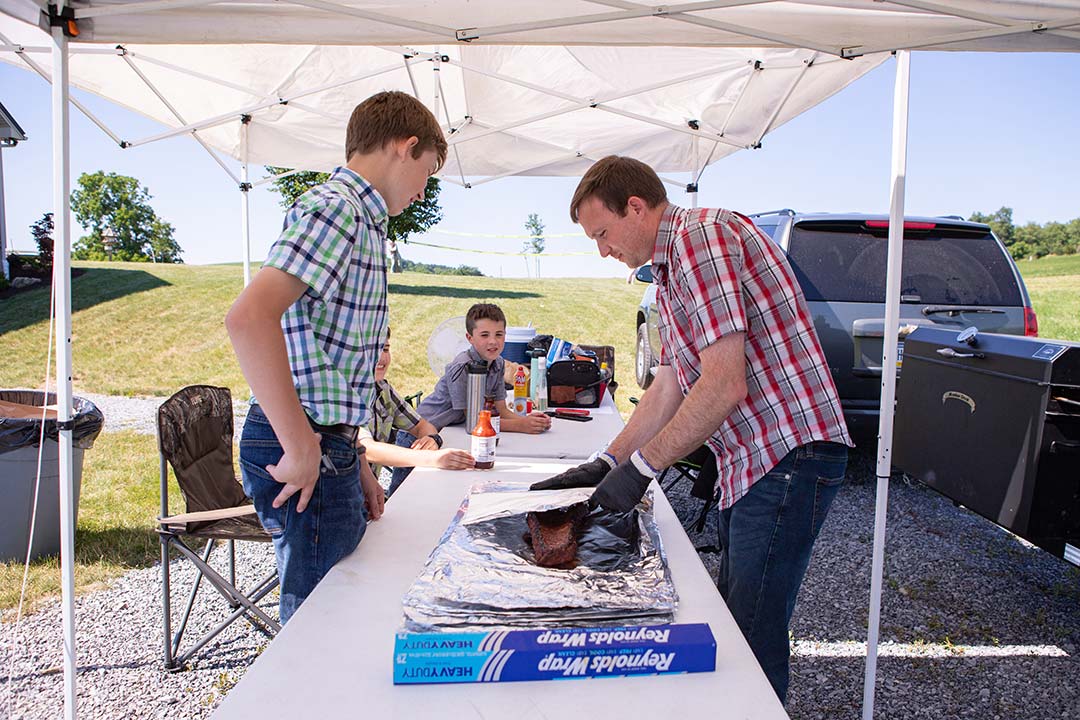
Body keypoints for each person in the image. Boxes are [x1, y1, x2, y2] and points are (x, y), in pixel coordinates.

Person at [534, 155, 852, 702]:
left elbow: (724, 385)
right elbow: (670, 385)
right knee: (734, 617)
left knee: (749, 634)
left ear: (636, 207)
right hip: (755, 461)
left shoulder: (703, 240)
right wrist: (607, 462)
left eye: (603, 233)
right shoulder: (669, 268)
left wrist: (642, 469)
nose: (603, 250)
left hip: (788, 455)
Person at [225, 90, 447, 623]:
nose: (423, 192)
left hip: (331, 441)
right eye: (428, 172)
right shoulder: (337, 210)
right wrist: (303, 443)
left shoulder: (364, 222)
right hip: (304, 437)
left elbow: (326, 355)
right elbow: (249, 318)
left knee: (342, 596)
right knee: (319, 619)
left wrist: (355, 458)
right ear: (405, 146)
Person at [391, 303, 551, 490]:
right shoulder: (461, 367)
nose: (493, 341)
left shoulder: (498, 364)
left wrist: (528, 420)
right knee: (403, 491)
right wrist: (521, 426)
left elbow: (501, 410)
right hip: (419, 434)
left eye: (499, 334)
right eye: (485, 335)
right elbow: (473, 422)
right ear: (469, 338)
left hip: (449, 434)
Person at [359, 327, 475, 494]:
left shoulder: (384, 389)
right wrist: (433, 458)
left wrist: (431, 438)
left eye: (385, 349)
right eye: (372, 350)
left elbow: (421, 425)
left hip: (368, 495)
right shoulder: (348, 394)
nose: (381, 357)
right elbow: (367, 449)